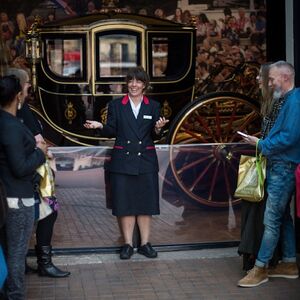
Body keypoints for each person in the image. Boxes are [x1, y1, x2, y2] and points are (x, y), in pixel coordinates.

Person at [84, 66, 168, 259]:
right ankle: (128, 244)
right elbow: (112, 130)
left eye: (138, 81)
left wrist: (158, 128)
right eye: (130, 81)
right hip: (122, 161)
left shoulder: (153, 106)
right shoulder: (116, 105)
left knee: (146, 204)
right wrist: (100, 126)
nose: (133, 85)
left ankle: (145, 244)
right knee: (125, 204)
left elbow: (156, 134)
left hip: (145, 160)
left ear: (145, 84)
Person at [238, 61, 300, 287]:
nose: (269, 82)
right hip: (281, 164)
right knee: (282, 217)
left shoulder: (294, 100)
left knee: (271, 220)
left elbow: (289, 138)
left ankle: (260, 268)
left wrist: (261, 144)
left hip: (283, 166)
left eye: (272, 78)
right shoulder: (286, 100)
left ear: (285, 77)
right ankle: (290, 263)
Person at [6, 67, 70, 278]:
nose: (29, 91)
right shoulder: (21, 110)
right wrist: (43, 152)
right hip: (32, 176)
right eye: (27, 86)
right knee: (49, 213)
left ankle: (24, 263)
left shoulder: (15, 111)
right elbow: (38, 140)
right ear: (20, 88)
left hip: (26, 176)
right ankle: (44, 263)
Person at [0, 74, 47, 300]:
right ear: (17, 96)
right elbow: (20, 167)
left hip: (8, 196)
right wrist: (40, 153)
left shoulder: (7, 122)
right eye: (25, 90)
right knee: (17, 253)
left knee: (10, 250)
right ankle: (15, 294)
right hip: (17, 197)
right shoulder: (10, 126)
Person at [238, 63, 282, 271]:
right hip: (267, 159)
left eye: (260, 77)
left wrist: (258, 142)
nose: (257, 80)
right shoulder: (269, 103)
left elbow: (276, 136)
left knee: (261, 210)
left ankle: (257, 256)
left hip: (272, 161)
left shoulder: (276, 104)